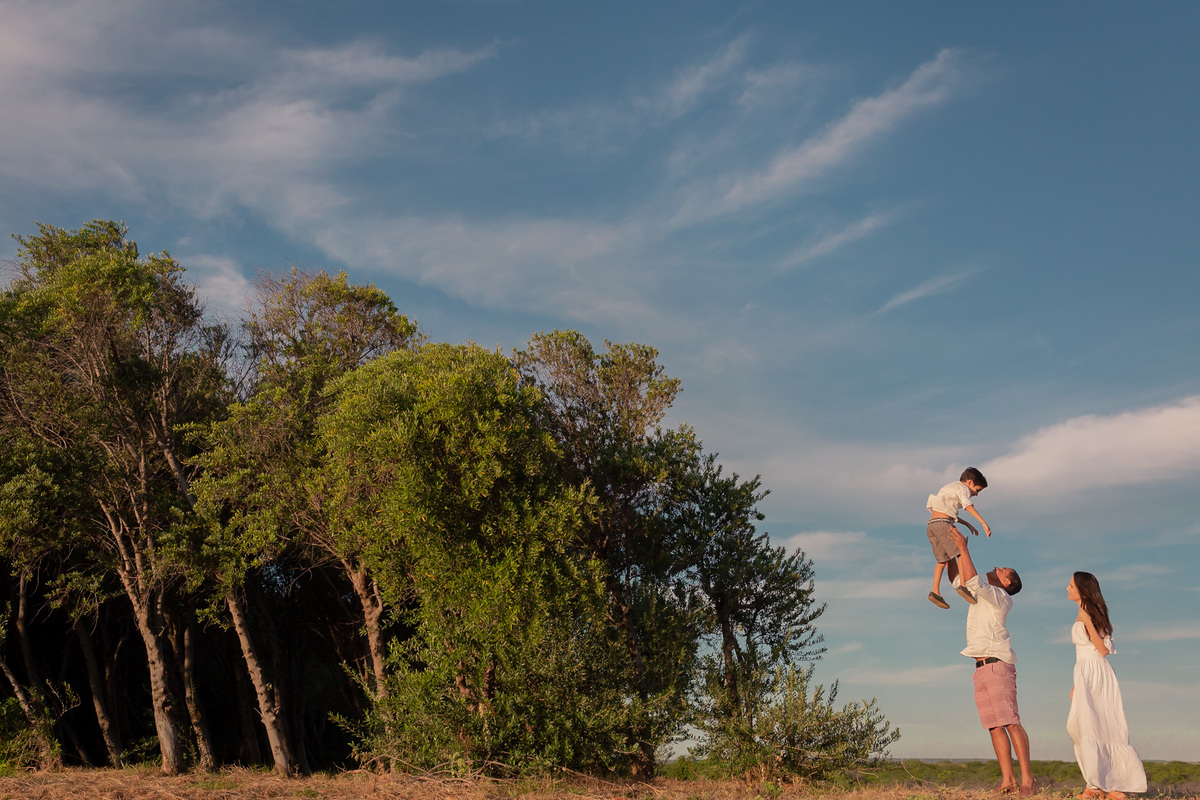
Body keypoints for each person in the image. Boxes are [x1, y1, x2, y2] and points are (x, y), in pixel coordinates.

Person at [948, 527, 1032, 795]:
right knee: (994, 726)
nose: (996, 567)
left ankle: (1028, 780)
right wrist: (948, 552)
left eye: (1002, 570)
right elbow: (959, 580)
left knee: (1010, 722)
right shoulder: (983, 596)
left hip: (998, 666)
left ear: (1007, 583)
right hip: (981, 667)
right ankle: (1008, 780)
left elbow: (972, 579)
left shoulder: (1000, 598)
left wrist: (964, 547)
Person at [1066, 572, 1147, 800]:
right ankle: (1098, 784)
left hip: (1097, 673)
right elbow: (1083, 653)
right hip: (1084, 673)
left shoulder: (1091, 615)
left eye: (1071, 585)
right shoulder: (1083, 613)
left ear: (1083, 589)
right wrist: (1076, 684)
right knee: (1079, 727)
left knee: (1103, 727)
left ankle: (1108, 787)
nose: (1067, 588)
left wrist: (1088, 622)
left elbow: (1101, 650)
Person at [926, 467, 993, 608]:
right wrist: (983, 523)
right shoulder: (963, 489)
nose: (976, 494)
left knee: (942, 560)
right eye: (977, 490)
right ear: (969, 482)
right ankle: (963, 586)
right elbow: (968, 505)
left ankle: (935, 591)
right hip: (944, 524)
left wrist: (967, 524)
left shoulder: (949, 487)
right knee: (962, 551)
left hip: (932, 525)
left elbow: (947, 512)